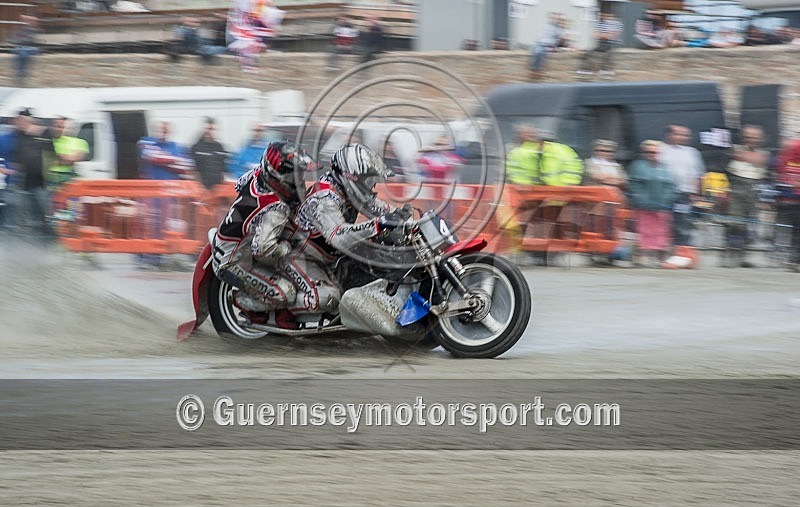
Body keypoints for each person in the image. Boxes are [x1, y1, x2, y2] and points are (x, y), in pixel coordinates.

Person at [211, 141, 313, 327]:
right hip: (234, 261)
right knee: (286, 291)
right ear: (279, 177)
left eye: (301, 173)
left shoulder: (256, 175)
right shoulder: (276, 208)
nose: (299, 179)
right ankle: (245, 304)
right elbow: (263, 249)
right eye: (294, 174)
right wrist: (287, 248)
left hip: (236, 242)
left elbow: (238, 186)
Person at [293, 144, 399, 315]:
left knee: (381, 254)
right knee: (329, 299)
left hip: (331, 257)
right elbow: (338, 236)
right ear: (352, 176)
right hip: (305, 259)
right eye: (369, 180)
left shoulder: (350, 190)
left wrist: (406, 219)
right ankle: (285, 311)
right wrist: (377, 225)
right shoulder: (324, 198)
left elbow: (382, 210)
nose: (372, 186)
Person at [627, 140, 677, 267]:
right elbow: (634, 184)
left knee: (662, 232)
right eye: (648, 152)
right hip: (643, 207)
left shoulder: (665, 168)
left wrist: (667, 199)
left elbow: (671, 186)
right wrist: (641, 198)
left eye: (654, 152)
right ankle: (641, 257)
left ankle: (660, 257)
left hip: (662, 207)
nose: (651, 154)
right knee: (644, 231)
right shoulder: (638, 166)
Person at [10, 108, 56, 241]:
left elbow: (51, 154)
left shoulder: (43, 133)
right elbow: (18, 158)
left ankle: (48, 239)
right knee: (26, 216)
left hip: (41, 181)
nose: (19, 124)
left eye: (21, 121)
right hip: (24, 181)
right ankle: (31, 240)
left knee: (44, 213)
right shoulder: (19, 135)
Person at [725, 125, 769, 258]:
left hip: (755, 188)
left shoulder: (765, 154)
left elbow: (764, 164)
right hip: (737, 187)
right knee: (735, 220)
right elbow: (731, 164)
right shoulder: (734, 150)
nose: (752, 140)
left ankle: (745, 254)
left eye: (755, 137)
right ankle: (732, 252)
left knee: (752, 222)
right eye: (749, 137)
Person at [659, 125, 705, 247]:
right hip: (663, 194)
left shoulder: (692, 153)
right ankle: (663, 250)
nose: (684, 137)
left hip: (683, 195)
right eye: (679, 134)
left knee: (682, 223)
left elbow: (698, 175)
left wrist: (695, 193)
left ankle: (681, 251)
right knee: (663, 222)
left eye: (686, 135)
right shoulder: (661, 150)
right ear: (669, 135)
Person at [505, 126, 584, 186]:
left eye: (532, 135)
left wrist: (569, 183)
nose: (530, 137)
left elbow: (574, 166)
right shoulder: (519, 153)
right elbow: (517, 175)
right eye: (525, 135)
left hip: (562, 195)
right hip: (534, 197)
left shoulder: (561, 150)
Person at [776, 136, 800, 271]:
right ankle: (790, 260)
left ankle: (790, 260)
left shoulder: (785, 157)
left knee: (789, 231)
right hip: (788, 199)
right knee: (792, 232)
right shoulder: (786, 157)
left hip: (790, 199)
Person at [47, 116, 90, 193]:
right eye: (57, 126)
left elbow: (76, 158)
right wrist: (67, 158)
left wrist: (58, 157)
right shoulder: (47, 141)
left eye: (62, 127)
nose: (59, 129)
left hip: (69, 177)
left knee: (74, 201)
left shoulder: (80, 142)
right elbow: (47, 160)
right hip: (50, 179)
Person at [577, 11, 623, 78]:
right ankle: (585, 69)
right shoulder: (598, 23)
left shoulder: (616, 23)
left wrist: (601, 35)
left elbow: (612, 36)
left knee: (606, 52)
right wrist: (604, 35)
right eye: (601, 15)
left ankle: (605, 69)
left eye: (605, 15)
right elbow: (594, 35)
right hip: (600, 43)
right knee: (588, 52)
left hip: (612, 43)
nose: (603, 16)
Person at [191, 117, 228, 191]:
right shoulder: (196, 147)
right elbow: (193, 170)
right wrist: (200, 187)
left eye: (211, 129)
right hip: (201, 190)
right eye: (207, 129)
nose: (209, 131)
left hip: (217, 190)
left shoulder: (220, 147)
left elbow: (223, 170)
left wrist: (220, 186)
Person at [528, 12, 566, 81]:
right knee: (538, 51)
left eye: (556, 18)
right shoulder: (545, 26)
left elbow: (561, 41)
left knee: (540, 51)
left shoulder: (559, 28)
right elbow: (540, 38)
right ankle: (535, 70)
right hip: (542, 44)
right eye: (553, 18)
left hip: (550, 46)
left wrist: (558, 45)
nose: (555, 20)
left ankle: (536, 70)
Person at [9, 15, 40, 86]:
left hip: (32, 48)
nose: (30, 22)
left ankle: (20, 72)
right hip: (22, 47)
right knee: (20, 54)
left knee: (23, 53)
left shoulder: (34, 30)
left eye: (31, 21)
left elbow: (31, 41)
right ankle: (21, 72)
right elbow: (14, 39)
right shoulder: (20, 29)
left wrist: (21, 41)